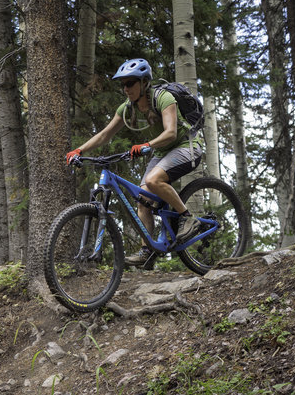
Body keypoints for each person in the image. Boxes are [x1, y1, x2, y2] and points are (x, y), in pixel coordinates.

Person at [66, 58, 203, 269]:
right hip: (163, 151)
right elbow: (104, 135)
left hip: (186, 146)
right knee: (143, 198)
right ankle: (148, 252)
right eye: (123, 84)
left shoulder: (164, 98)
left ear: (144, 82)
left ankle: (187, 217)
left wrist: (146, 145)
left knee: (153, 179)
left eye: (130, 82)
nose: (126, 88)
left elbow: (171, 132)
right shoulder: (127, 108)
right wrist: (79, 150)